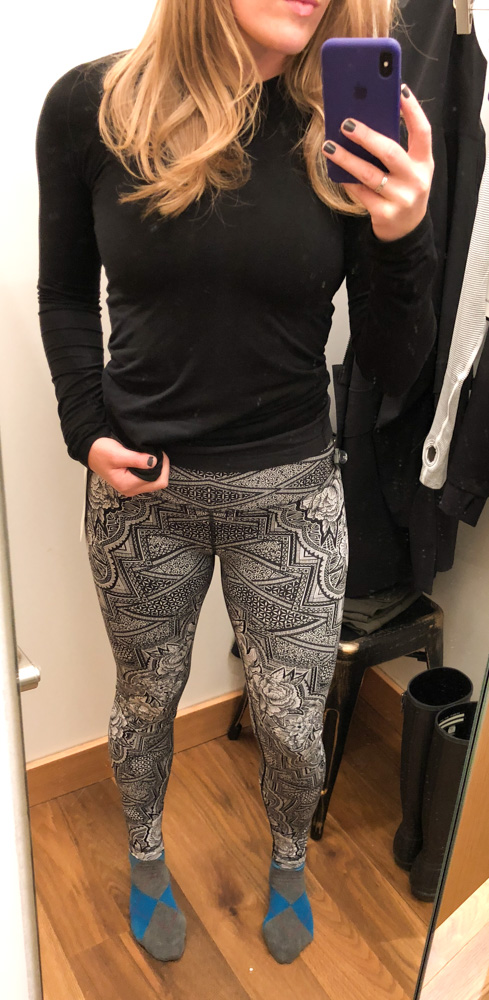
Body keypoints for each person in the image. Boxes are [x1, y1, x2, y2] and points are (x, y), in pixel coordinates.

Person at [36, 0, 436, 966]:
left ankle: (289, 859)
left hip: (290, 494)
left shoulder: (340, 127)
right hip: (145, 495)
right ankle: (144, 857)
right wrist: (85, 430)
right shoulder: (93, 106)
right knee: (146, 698)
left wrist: (403, 237)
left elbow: (391, 366)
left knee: (294, 721)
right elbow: (65, 291)